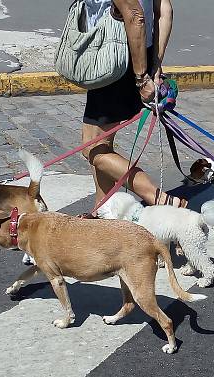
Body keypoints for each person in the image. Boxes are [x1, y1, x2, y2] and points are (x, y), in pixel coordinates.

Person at [79, 0, 185, 216]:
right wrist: (154, 64)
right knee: (101, 142)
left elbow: (135, 15)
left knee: (92, 148)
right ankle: (102, 208)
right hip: (136, 54)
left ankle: (159, 198)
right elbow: (164, 10)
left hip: (115, 57)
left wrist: (141, 78)